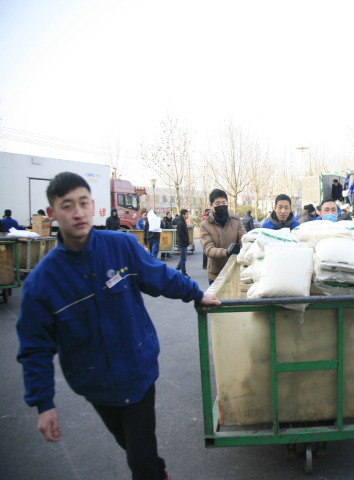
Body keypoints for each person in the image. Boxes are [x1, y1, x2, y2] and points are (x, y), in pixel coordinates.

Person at [15, 172, 220, 480]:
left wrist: (196, 292)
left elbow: (159, 276)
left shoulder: (120, 246)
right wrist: (44, 404)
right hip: (95, 383)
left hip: (138, 369)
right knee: (136, 449)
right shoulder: (41, 283)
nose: (78, 213)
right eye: (67, 206)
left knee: (140, 460)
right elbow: (35, 349)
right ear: (52, 213)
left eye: (84, 203)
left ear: (92, 205)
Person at [200, 189, 246, 285]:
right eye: (217, 203)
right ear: (211, 205)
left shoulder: (236, 220)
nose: (221, 206)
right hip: (216, 274)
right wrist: (226, 252)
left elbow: (244, 239)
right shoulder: (205, 225)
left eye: (224, 203)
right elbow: (208, 249)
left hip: (235, 271)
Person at [174, 209, 190, 278]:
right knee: (183, 259)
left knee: (183, 258)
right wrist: (186, 240)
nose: (187, 215)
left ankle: (176, 271)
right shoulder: (181, 222)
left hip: (183, 242)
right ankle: (183, 273)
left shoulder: (183, 221)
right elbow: (180, 234)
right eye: (186, 214)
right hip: (182, 242)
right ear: (183, 215)